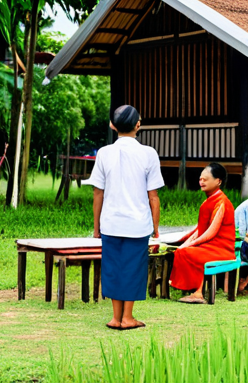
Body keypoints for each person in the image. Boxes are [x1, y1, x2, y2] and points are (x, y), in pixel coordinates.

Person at [87, 105, 164, 330]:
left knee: (112, 267)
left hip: (110, 222)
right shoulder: (148, 153)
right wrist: (156, 228)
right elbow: (153, 196)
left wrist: (96, 227)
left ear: (113, 125)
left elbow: (97, 192)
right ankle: (128, 318)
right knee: (133, 268)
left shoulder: (103, 153)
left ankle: (115, 317)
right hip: (138, 223)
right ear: (138, 125)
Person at [170, 162, 236, 304]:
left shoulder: (222, 202)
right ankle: (195, 290)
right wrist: (184, 244)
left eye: (205, 179)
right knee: (182, 251)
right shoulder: (207, 202)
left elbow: (210, 233)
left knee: (187, 252)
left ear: (218, 181)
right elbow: (200, 230)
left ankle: (198, 293)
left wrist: (189, 245)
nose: (201, 182)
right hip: (211, 246)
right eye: (200, 179)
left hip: (221, 249)